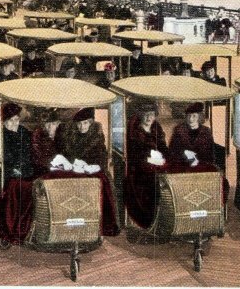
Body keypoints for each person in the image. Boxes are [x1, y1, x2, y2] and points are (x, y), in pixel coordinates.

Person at [54, 108, 119, 236]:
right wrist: (74, 164)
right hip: (75, 170)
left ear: (90, 123)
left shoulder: (97, 137)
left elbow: (101, 159)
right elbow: (66, 155)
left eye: (85, 123)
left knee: (103, 185)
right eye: (79, 123)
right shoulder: (70, 136)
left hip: (92, 171)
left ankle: (101, 224)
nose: (81, 127)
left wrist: (89, 166)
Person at [0, 103, 36, 245]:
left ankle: (32, 227)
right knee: (18, 188)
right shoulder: (0, 136)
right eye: (10, 120)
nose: (14, 123)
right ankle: (15, 229)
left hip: (26, 171)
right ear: (4, 122)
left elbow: (31, 155)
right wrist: (14, 168)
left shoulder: (25, 133)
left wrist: (25, 167)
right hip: (9, 173)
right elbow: (3, 159)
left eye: (16, 120)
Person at [124, 101, 169, 229]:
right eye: (146, 114)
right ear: (141, 115)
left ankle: (165, 216)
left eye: (152, 115)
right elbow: (133, 154)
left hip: (158, 164)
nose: (149, 118)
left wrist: (163, 157)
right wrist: (148, 159)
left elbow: (163, 147)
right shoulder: (134, 131)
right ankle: (150, 220)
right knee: (152, 181)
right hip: (139, 168)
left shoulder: (156, 128)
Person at [167, 102, 215, 171]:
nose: (191, 119)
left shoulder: (206, 132)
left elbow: (210, 156)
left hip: (201, 168)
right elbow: (172, 153)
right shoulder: (179, 130)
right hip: (183, 167)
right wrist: (184, 155)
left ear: (199, 117)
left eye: (194, 116)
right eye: (188, 116)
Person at [31, 109, 63, 176]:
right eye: (47, 124)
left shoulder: (60, 134)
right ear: (43, 124)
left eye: (53, 124)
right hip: (42, 169)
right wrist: (53, 165)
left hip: (59, 167)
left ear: (58, 124)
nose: (50, 127)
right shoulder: (38, 134)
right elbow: (39, 157)